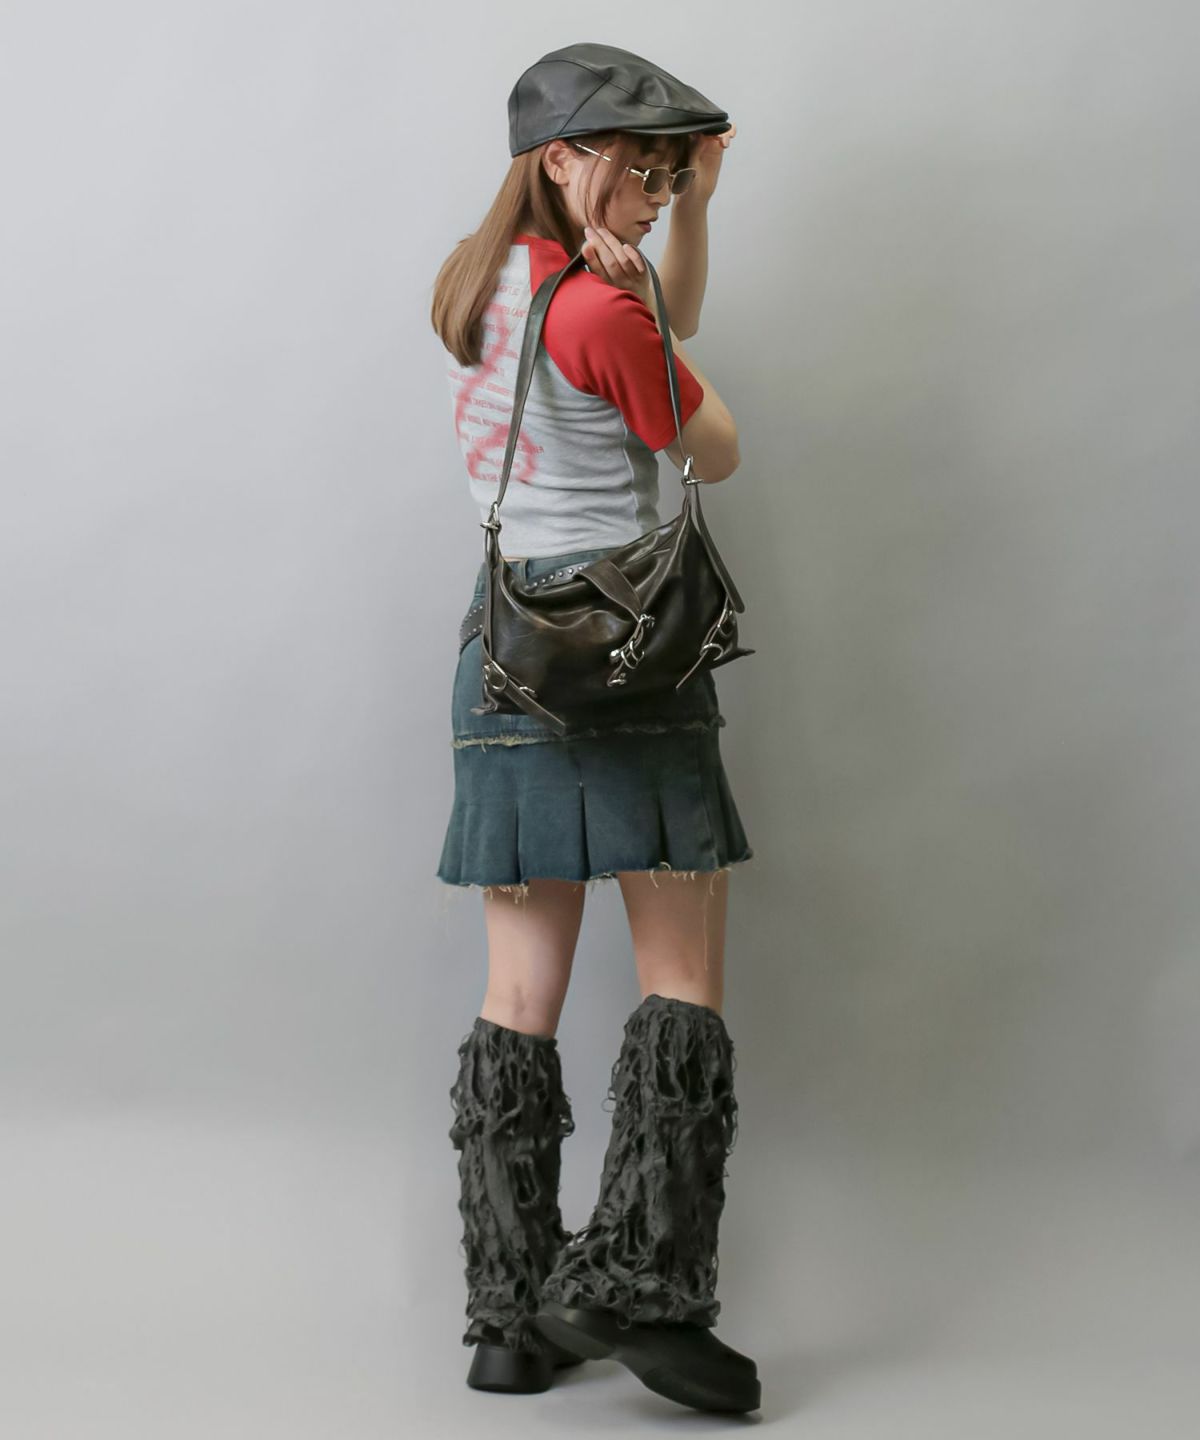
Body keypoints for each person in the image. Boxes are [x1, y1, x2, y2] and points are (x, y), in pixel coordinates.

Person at [428, 43, 762, 1414]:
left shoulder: (484, 282)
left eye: (673, 168)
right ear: (561, 158)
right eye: (641, 165)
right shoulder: (596, 309)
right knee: (682, 974)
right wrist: (643, 310)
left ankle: (512, 1317)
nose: (658, 186)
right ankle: (642, 1288)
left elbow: (653, 337)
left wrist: (682, 235)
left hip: (508, 650)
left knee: (519, 994)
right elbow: (714, 443)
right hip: (629, 648)